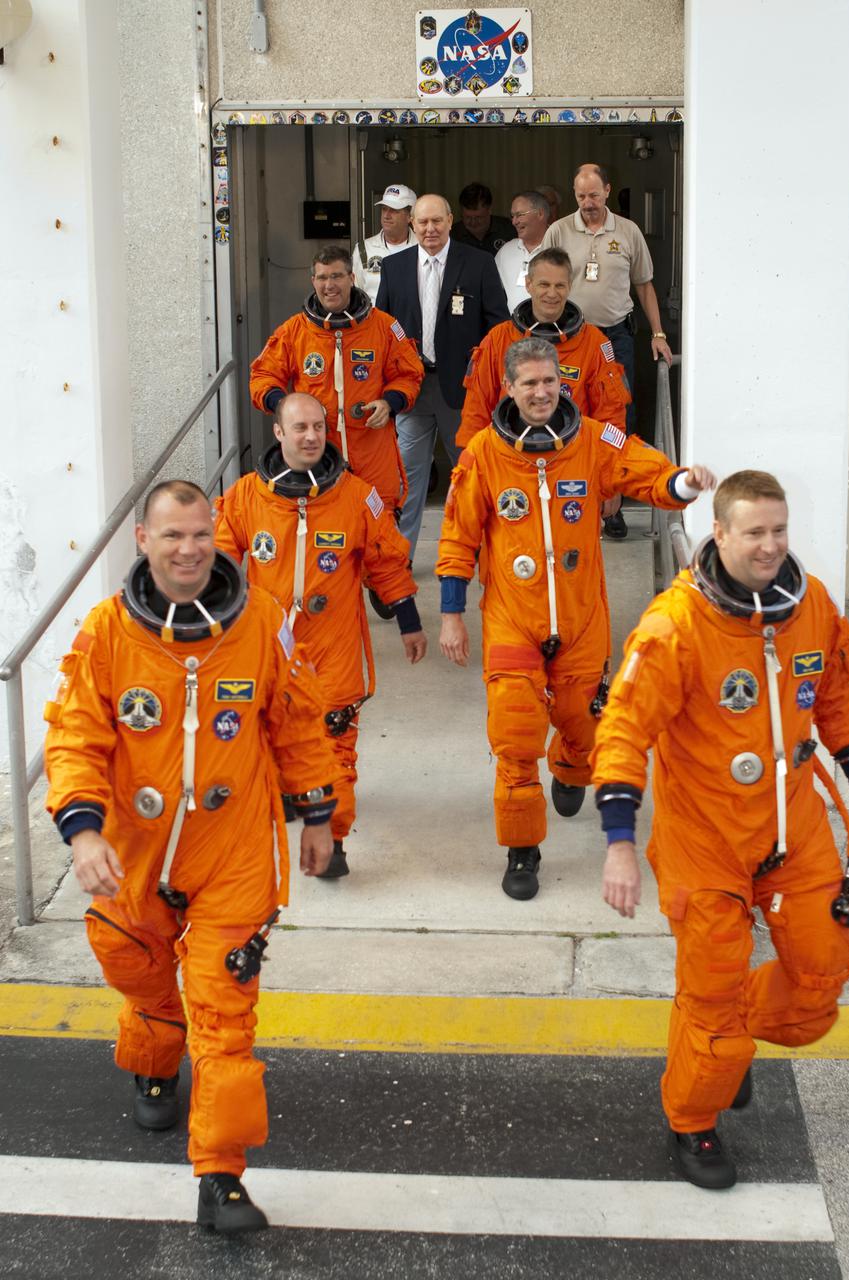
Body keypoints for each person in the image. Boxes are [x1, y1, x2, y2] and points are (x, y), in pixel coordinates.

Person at [43, 480, 339, 1234]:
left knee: (226, 1015)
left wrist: (317, 814)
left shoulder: (262, 622)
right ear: (142, 540)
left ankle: (221, 1176)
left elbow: (297, 723)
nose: (188, 549)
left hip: (231, 852)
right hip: (132, 857)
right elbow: (75, 735)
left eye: (200, 534)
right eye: (172, 536)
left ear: (217, 537)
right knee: (130, 963)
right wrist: (83, 831)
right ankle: (153, 1041)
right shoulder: (109, 632)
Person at [590, 470, 849, 1192]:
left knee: (817, 990)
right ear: (716, 533)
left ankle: (726, 1036)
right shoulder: (675, 625)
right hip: (704, 842)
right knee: (712, 1002)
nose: (769, 546)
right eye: (753, 531)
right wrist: (619, 842)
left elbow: (836, 697)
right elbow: (622, 732)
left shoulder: (807, 605)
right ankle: (693, 1120)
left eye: (778, 530)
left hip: (794, 830)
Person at [437, 337, 715, 901]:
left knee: (585, 728)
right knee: (515, 736)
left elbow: (644, 472)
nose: (542, 393)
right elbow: (457, 536)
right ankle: (522, 850)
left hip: (581, 619)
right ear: (509, 389)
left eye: (550, 382)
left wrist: (683, 484)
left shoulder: (592, 438)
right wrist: (450, 614)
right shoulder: (484, 454)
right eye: (530, 384)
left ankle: (568, 765)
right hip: (513, 618)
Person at [214, 393, 426, 878]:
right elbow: (220, 566)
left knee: (335, 744)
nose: (311, 436)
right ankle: (292, 788)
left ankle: (332, 839)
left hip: (334, 647)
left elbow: (387, 561)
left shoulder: (356, 495)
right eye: (300, 428)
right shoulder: (246, 496)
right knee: (270, 736)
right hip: (270, 650)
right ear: (279, 433)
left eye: (318, 426)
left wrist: (409, 622)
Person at [542, 163, 673, 538]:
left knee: (617, 420)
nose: (588, 203)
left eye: (594, 195)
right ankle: (568, 505)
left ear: (608, 191)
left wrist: (658, 333)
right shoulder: (559, 230)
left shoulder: (628, 232)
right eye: (581, 196)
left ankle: (611, 505)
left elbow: (644, 286)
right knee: (568, 417)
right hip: (568, 339)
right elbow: (540, 283)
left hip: (615, 339)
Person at [376, 194, 509, 560]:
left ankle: (481, 556)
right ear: (412, 225)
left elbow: (498, 325)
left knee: (471, 477)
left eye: (437, 221)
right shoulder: (394, 266)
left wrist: (483, 376)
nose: (430, 229)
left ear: (451, 221)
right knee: (408, 480)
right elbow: (381, 329)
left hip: (463, 392)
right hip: (412, 391)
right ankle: (398, 562)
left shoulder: (479, 263)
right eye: (423, 223)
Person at [249, 246, 424, 520]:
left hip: (372, 449)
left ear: (352, 278)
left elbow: (409, 374)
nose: (329, 285)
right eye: (322, 278)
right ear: (313, 282)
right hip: (316, 451)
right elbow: (263, 377)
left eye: (337, 276)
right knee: (324, 535)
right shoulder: (295, 331)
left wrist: (389, 403)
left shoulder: (383, 327)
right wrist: (286, 406)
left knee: (380, 531)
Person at [457, 247, 631, 451]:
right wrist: (468, 464)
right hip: (510, 459)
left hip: (572, 459)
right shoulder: (498, 339)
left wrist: (606, 466)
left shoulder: (593, 343)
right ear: (529, 285)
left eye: (560, 285)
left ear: (569, 287)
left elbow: (611, 416)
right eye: (544, 284)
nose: (552, 293)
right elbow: (475, 411)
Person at [352, 183, 418, 304]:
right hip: (374, 321)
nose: (386, 215)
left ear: (410, 216)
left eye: (394, 210)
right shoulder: (363, 249)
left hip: (411, 322)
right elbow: (356, 294)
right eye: (384, 209)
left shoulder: (424, 247)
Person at [494, 190, 550, 312]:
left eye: (519, 215)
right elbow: (492, 292)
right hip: (514, 328)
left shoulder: (560, 247)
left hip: (553, 328)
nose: (514, 222)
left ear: (540, 214)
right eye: (512, 216)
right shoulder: (506, 251)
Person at [451, 181, 516, 255]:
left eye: (478, 217)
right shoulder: (452, 236)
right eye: (467, 217)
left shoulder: (508, 229)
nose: (473, 222)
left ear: (490, 210)